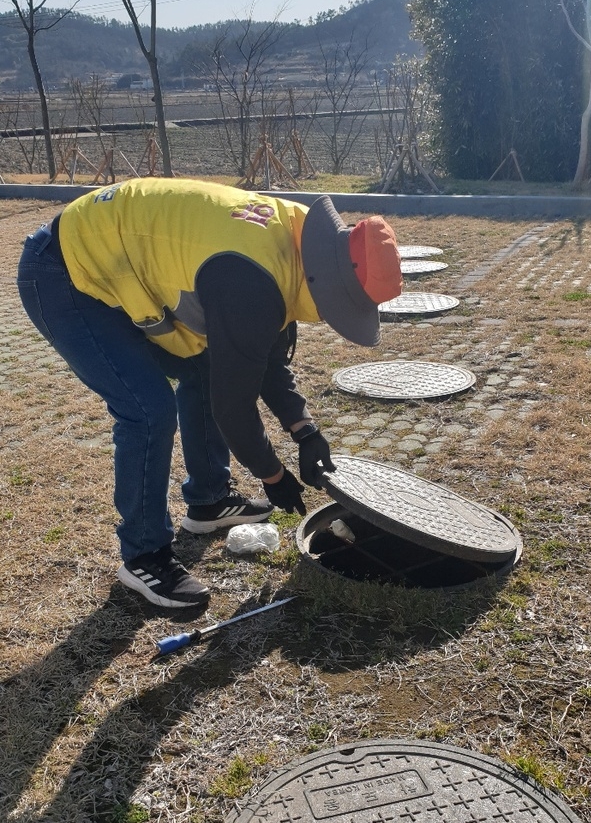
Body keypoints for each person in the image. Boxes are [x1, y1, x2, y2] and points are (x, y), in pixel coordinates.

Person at [17, 179, 402, 610]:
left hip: (113, 252)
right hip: (65, 272)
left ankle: (208, 500)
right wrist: (272, 475)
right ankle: (144, 556)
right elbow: (233, 405)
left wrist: (304, 430)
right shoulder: (253, 281)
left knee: (202, 368)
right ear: (327, 283)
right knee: (147, 410)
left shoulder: (298, 241)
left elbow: (265, 360)